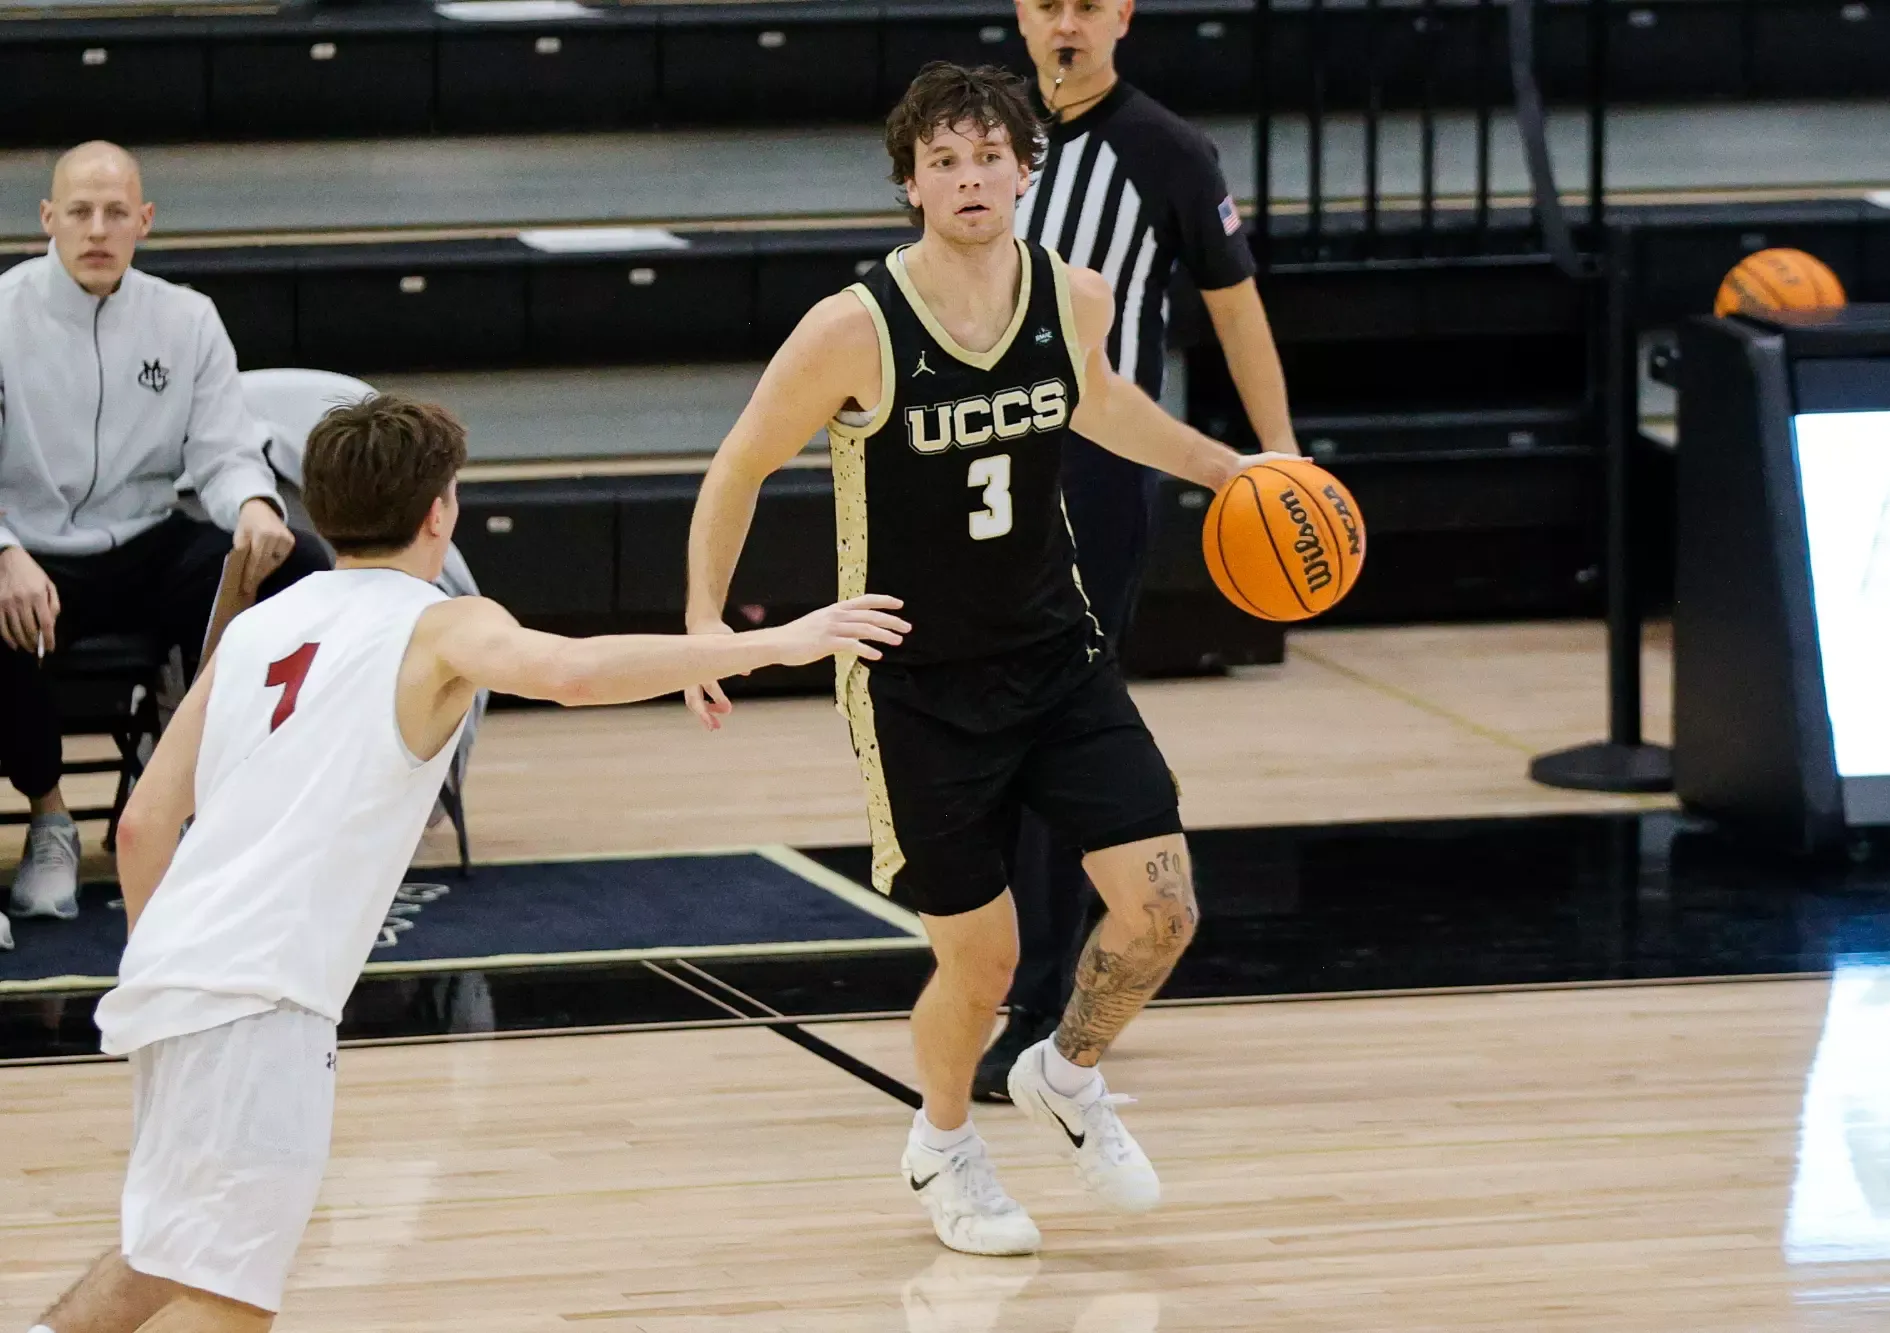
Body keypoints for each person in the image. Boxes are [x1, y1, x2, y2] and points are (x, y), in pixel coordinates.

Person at [27, 394, 908, 1333]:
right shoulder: (440, 622)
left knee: (165, 1248)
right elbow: (570, 672)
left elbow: (139, 826)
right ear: (440, 512)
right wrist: (771, 641)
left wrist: (168, 956)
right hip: (260, 995)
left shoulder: (254, 630)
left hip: (174, 972)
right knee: (227, 1293)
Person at [684, 62, 1274, 1256]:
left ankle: (1064, 1072)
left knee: (1161, 911)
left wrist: (1232, 471)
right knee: (985, 957)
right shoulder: (852, 325)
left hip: (1054, 653)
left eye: (987, 156)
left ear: (1023, 169)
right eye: (942, 160)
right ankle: (942, 1142)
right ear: (909, 184)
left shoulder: (1075, 293)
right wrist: (704, 618)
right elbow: (738, 463)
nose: (968, 177)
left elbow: (1099, 405)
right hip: (915, 681)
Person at [976, 0, 1304, 1100]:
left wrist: (1278, 455)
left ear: (1121, 15)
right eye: (1047, 4)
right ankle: (988, 960)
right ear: (1022, 16)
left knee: (1052, 722)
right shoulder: (978, 134)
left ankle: (1034, 999)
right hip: (967, 466)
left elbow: (1234, 304)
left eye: (1086, 4)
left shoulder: (1165, 149)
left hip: (1092, 476)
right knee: (971, 718)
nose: (1065, 23)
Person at [0, 142, 328, 950]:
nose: (98, 229)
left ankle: (201, 796)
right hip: (32, 554)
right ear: (48, 219)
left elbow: (222, 451)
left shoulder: (187, 319)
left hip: (145, 541)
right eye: (80, 211)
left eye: (117, 213)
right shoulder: (2, 313)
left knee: (298, 567)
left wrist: (253, 506)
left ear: (144, 221)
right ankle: (50, 818)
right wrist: (3, 549)